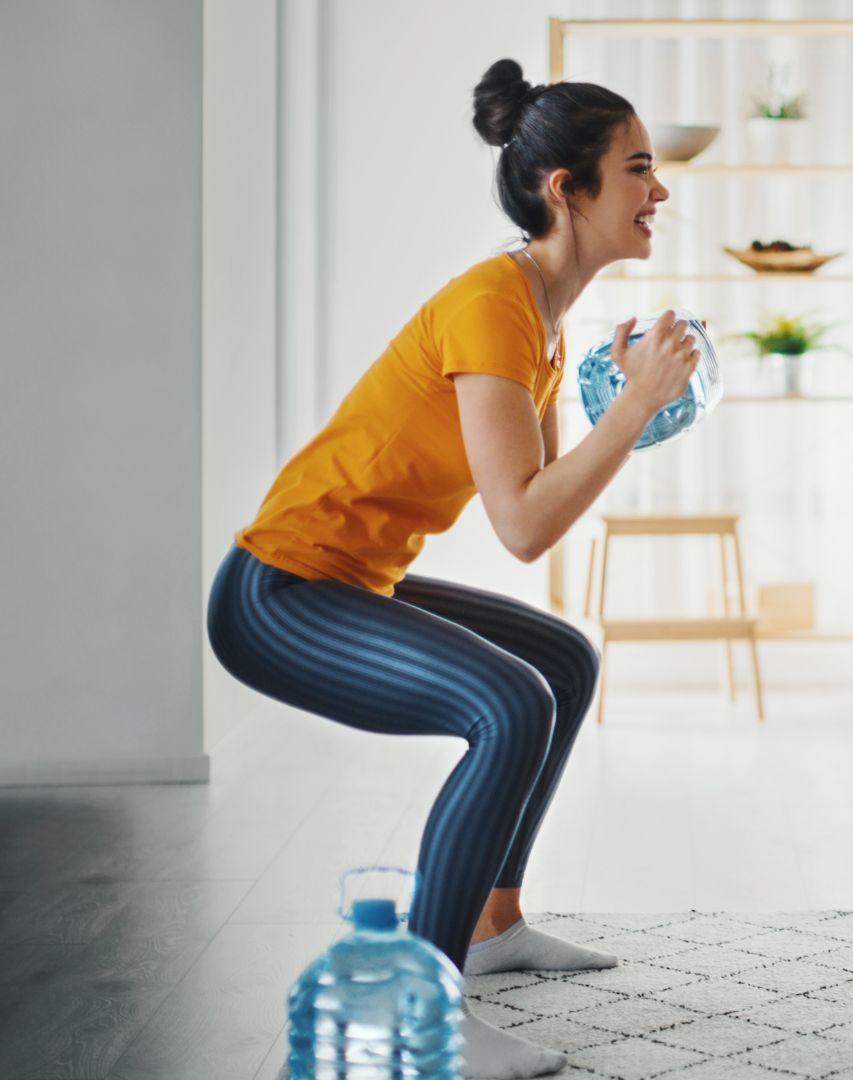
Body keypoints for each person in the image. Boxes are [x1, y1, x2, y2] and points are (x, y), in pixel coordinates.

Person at [206, 58, 695, 1080]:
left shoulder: (541, 319)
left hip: (349, 580)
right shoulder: (492, 304)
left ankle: (490, 925)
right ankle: (426, 1012)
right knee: (511, 701)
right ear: (567, 189)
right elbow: (523, 525)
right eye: (638, 168)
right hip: (278, 594)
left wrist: (625, 403)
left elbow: (542, 488)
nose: (660, 191)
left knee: (560, 659)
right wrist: (632, 409)